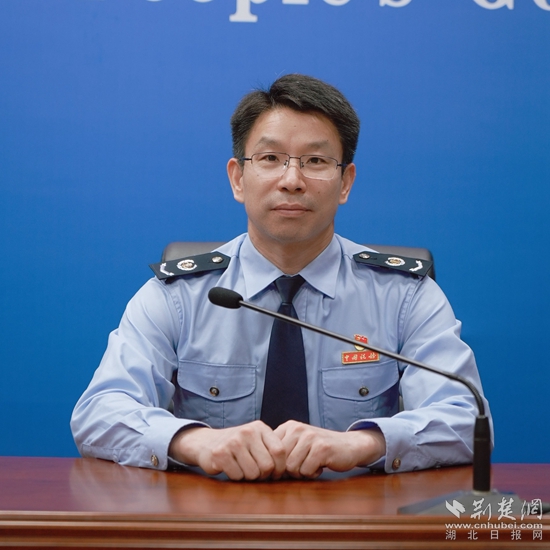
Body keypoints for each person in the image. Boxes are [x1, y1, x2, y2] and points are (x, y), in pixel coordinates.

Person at [71, 74, 491, 481]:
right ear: (238, 178)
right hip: (210, 517)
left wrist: (362, 444)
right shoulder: (180, 296)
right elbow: (99, 413)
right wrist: (195, 442)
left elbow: (466, 419)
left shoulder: (403, 295)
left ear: (345, 182)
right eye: (270, 159)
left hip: (357, 517)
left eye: (315, 161)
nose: (292, 181)